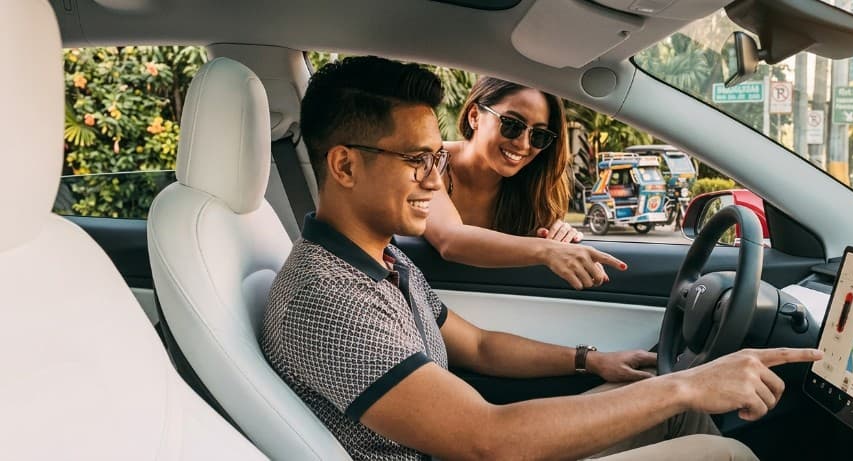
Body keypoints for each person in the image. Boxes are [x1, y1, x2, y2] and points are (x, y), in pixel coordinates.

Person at [261, 55, 823, 461]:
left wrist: (590, 361)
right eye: (418, 160)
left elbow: (478, 345)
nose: (437, 181)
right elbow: (487, 439)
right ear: (344, 166)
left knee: (673, 412)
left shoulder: (383, 263)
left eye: (438, 158)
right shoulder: (326, 298)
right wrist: (687, 384)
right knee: (717, 450)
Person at [425, 76, 624, 291]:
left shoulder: (529, 191)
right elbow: (450, 240)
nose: (523, 144)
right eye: (512, 125)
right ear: (475, 116)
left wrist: (557, 235)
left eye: (538, 135)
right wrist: (546, 250)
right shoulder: (427, 161)